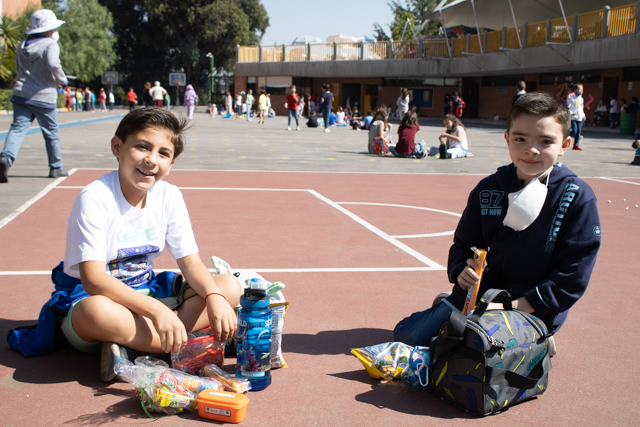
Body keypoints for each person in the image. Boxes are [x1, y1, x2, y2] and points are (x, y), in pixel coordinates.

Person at [393, 92, 601, 350]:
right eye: (520, 138)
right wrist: (462, 271)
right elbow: (464, 243)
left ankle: (539, 338)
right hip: (481, 297)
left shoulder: (576, 197)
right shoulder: (489, 188)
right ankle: (459, 310)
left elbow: (573, 273)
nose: (531, 149)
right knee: (407, 337)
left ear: (565, 144)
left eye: (546, 141)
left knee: (479, 349)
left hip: (533, 307)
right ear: (507, 138)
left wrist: (517, 307)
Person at [56, 107, 243, 381]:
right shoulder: (95, 198)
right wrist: (157, 311)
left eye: (163, 153)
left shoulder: (170, 196)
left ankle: (134, 349)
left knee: (229, 286)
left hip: (148, 293)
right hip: (97, 298)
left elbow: (190, 262)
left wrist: (214, 298)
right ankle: (182, 343)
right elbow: (93, 279)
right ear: (117, 147)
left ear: (171, 163)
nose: (151, 160)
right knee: (96, 313)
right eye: (142, 147)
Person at [0, 9, 69, 183]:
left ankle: (5, 158)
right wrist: (62, 80)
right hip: (43, 95)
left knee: (17, 129)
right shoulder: (50, 45)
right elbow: (53, 64)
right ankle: (56, 166)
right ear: (49, 29)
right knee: (51, 132)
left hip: (21, 94)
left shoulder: (23, 44)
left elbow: (17, 67)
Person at [566, 83, 585, 150]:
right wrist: (571, 113)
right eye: (579, 89)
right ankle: (565, 137)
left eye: (582, 90)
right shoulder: (571, 98)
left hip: (579, 117)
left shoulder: (581, 99)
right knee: (574, 131)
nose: (581, 91)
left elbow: (581, 108)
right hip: (573, 117)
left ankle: (576, 144)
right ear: (575, 90)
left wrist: (583, 115)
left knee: (578, 132)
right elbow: (568, 106)